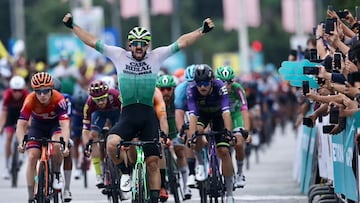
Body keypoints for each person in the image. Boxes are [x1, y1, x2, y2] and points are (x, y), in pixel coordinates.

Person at [62, 12, 214, 203]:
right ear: (130, 45)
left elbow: (181, 43)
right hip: (128, 115)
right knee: (111, 144)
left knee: (152, 163)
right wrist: (73, 26)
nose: (139, 46)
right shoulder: (118, 55)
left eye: (143, 43)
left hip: (147, 115)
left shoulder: (156, 57)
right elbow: (93, 41)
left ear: (147, 46)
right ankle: (125, 172)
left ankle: (153, 197)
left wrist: (202, 31)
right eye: (135, 43)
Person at [16, 72, 70, 203]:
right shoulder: (30, 99)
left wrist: (65, 145)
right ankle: (30, 194)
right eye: (38, 91)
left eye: (46, 91)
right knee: (32, 156)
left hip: (55, 124)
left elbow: (65, 124)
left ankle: (57, 174)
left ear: (51, 89)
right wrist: (21, 143)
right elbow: (21, 124)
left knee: (57, 145)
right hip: (38, 126)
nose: (42, 95)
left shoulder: (59, 99)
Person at [186, 64, 235, 203]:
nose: (202, 87)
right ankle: (201, 165)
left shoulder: (220, 87)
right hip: (202, 116)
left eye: (206, 83)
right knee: (197, 133)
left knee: (224, 151)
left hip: (219, 116)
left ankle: (230, 194)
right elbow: (193, 117)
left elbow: (226, 113)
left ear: (212, 81)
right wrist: (192, 137)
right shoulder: (191, 91)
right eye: (199, 83)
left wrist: (229, 133)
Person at [215, 66, 252, 189]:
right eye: (222, 82)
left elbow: (245, 111)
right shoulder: (214, 90)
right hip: (221, 116)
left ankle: (240, 173)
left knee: (239, 143)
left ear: (233, 81)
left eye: (229, 82)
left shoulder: (238, 89)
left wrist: (247, 131)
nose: (226, 85)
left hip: (235, 116)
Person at [156, 75, 192, 199]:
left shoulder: (178, 98)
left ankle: (186, 185)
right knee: (159, 151)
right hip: (160, 129)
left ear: (173, 89)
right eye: (162, 89)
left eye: (168, 89)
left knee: (180, 151)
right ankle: (162, 180)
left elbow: (185, 115)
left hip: (174, 129)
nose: (165, 92)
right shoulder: (155, 99)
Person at [82, 80, 121, 189]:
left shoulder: (115, 95)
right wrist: (87, 146)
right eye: (97, 100)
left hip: (116, 113)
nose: (100, 102)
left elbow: (126, 112)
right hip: (99, 115)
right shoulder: (89, 103)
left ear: (107, 94)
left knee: (119, 136)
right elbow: (85, 129)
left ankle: (123, 171)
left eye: (103, 99)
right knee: (93, 135)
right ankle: (99, 174)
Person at [0, 75, 29, 179]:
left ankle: (22, 155)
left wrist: (28, 125)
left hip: (22, 113)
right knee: (8, 137)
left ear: (23, 90)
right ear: (11, 90)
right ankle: (7, 167)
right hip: (11, 114)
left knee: (24, 132)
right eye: (15, 90)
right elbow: (4, 113)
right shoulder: (7, 95)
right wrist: (2, 126)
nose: (17, 93)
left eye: (19, 90)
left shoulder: (26, 95)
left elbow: (30, 112)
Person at [174, 64, 197, 188]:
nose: (192, 85)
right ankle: (192, 172)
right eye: (189, 82)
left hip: (204, 109)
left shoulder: (206, 86)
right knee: (188, 134)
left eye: (195, 82)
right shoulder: (180, 90)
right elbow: (179, 113)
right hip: (189, 111)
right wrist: (181, 131)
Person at [53, 78, 73, 202]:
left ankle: (66, 189)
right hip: (46, 125)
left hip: (61, 126)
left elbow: (67, 119)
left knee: (67, 151)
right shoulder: (41, 97)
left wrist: (67, 137)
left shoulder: (65, 99)